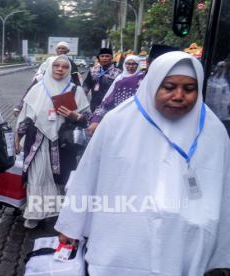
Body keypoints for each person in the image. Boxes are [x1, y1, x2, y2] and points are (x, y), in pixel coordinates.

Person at [55, 51, 230, 275]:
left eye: (189, 89)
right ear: (153, 84)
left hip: (184, 244)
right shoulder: (118, 122)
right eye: (169, 87)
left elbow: (224, 191)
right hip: (122, 239)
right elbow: (88, 175)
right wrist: (71, 226)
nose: (179, 96)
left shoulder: (212, 130)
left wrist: (220, 250)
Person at [15, 55, 90, 229]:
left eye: (64, 67)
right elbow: (25, 116)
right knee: (37, 176)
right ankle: (34, 213)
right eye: (56, 65)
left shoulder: (75, 90)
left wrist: (75, 115)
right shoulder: (37, 89)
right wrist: (18, 138)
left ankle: (56, 211)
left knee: (59, 177)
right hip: (37, 141)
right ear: (49, 67)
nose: (60, 69)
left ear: (69, 70)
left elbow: (87, 117)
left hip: (63, 142)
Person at [13, 41, 81, 117]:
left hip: (64, 83)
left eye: (63, 48)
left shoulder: (72, 64)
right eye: (59, 48)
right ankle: (20, 105)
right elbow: (42, 70)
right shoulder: (50, 59)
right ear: (56, 50)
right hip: (46, 80)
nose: (61, 50)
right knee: (33, 86)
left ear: (67, 51)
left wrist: (79, 91)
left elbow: (75, 78)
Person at [87, 55, 144, 135]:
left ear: (138, 65)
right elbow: (109, 100)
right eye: (128, 64)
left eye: (134, 64)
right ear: (124, 64)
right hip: (118, 117)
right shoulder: (120, 79)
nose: (130, 66)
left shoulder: (143, 79)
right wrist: (96, 119)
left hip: (136, 119)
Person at [83, 48, 122, 112]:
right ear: (99, 58)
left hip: (111, 106)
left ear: (112, 58)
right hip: (95, 105)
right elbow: (86, 86)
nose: (104, 58)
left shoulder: (118, 72)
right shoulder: (93, 70)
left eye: (107, 56)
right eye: (102, 56)